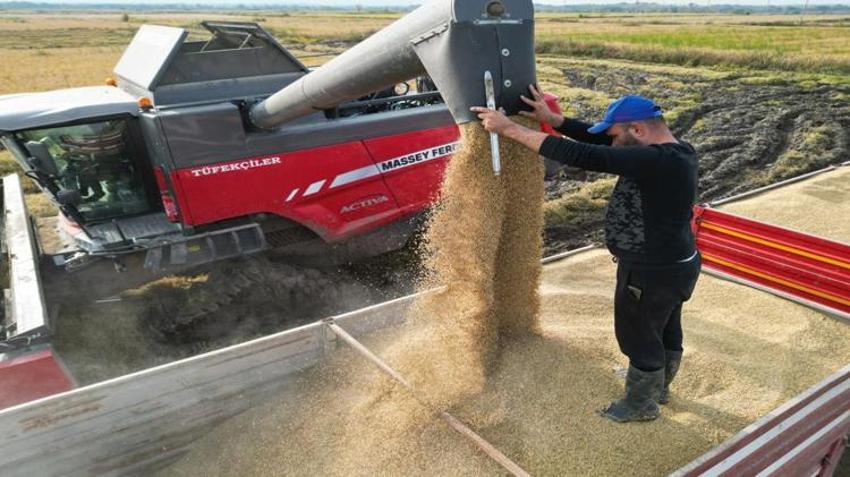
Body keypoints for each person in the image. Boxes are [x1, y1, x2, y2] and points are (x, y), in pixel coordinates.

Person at [471, 87, 701, 423]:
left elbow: (589, 156)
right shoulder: (676, 152)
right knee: (665, 327)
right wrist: (554, 120)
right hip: (677, 263)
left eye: (616, 135)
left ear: (637, 130)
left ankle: (640, 405)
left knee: (638, 334)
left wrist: (509, 129)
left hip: (649, 271)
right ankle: (658, 388)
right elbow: (603, 145)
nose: (611, 141)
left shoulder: (654, 160)